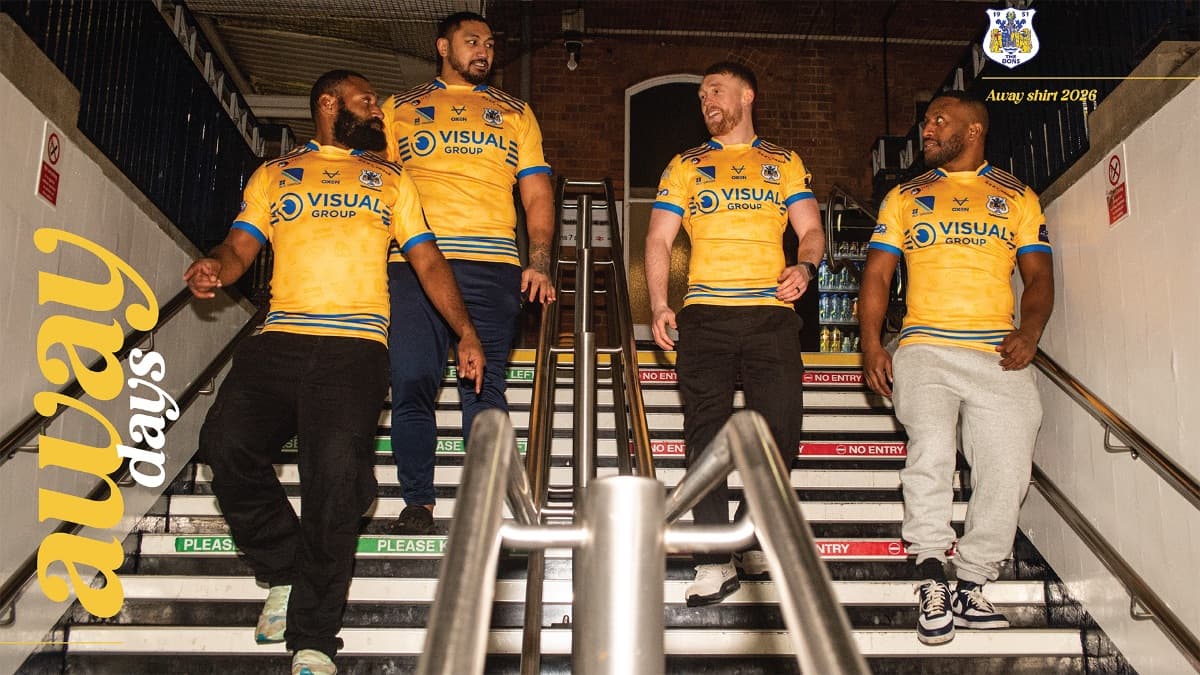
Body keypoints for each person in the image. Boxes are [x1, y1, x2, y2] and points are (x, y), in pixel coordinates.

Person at [184, 70, 484, 675]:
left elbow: (427, 260)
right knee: (223, 442)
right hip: (280, 339)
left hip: (354, 349)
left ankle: (314, 636)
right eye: (366, 100)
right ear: (329, 104)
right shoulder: (275, 174)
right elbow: (241, 247)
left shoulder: (390, 180)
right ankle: (286, 568)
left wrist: (465, 330)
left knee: (334, 479)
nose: (378, 110)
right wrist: (214, 267)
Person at [858, 90, 1054, 645]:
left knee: (1009, 467)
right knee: (933, 452)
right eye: (925, 121)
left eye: (939, 120)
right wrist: (872, 343)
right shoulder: (906, 196)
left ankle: (972, 580)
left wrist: (1031, 333)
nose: (927, 128)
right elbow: (876, 276)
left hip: (998, 350)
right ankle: (929, 574)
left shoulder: (1016, 197)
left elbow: (1039, 279)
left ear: (973, 130)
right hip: (924, 347)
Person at [645, 61, 825, 607]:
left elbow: (812, 229)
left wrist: (807, 266)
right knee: (705, 438)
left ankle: (745, 533)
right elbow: (658, 239)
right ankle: (712, 559)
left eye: (715, 92)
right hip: (705, 316)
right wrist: (658, 303)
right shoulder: (686, 165)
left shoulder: (783, 162)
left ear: (748, 95)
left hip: (771, 316)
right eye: (701, 96)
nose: (706, 103)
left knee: (782, 435)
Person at [379, 11, 555, 534]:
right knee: (412, 382)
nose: (484, 50)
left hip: (492, 264)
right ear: (442, 46)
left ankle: (483, 504)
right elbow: (379, 189)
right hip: (412, 264)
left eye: (490, 43)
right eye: (471, 40)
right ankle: (419, 503)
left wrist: (540, 259)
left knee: (484, 387)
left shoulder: (515, 112)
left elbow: (537, 191)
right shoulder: (399, 108)